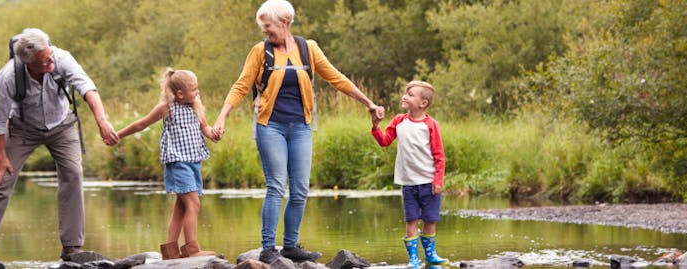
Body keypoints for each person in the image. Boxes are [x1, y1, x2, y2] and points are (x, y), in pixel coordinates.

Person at [211, 0, 386, 264]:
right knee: (276, 185)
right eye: (263, 28)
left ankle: (291, 246)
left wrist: (369, 103)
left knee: (301, 188)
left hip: (301, 127)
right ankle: (268, 248)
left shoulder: (309, 48)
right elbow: (241, 86)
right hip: (270, 126)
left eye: (268, 26)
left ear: (284, 22)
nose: (264, 32)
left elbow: (336, 78)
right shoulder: (260, 51)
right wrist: (222, 117)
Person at [0, 28, 119, 264]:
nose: (51, 59)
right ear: (29, 62)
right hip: (24, 129)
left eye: (50, 54)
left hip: (62, 126)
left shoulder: (61, 58)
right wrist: (1, 155)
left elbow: (88, 89)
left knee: (73, 175)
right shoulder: (8, 77)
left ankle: (72, 248)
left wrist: (102, 121)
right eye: (45, 59)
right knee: (1, 180)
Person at [112, 68, 220, 260]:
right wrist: (118, 135)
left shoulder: (196, 106)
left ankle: (170, 251)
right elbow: (141, 124)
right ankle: (192, 249)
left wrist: (214, 134)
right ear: (180, 93)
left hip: (194, 161)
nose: (198, 92)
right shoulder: (167, 108)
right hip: (178, 162)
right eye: (194, 89)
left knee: (181, 206)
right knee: (193, 204)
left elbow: (205, 127)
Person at [370, 81, 449, 268]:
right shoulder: (399, 120)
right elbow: (384, 141)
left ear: (423, 103)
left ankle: (431, 255)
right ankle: (414, 259)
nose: (405, 96)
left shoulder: (431, 125)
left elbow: (439, 155)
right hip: (408, 183)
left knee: (430, 219)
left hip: (429, 182)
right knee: (411, 219)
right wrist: (375, 126)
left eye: (411, 94)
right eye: (405, 93)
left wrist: (439, 179)